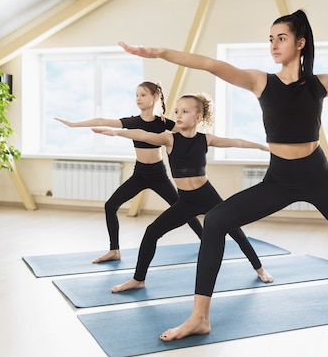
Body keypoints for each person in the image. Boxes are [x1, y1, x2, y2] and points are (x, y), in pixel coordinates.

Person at [119, 9, 328, 341]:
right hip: (280, 179)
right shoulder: (261, 81)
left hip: (318, 175)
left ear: (300, 43)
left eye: (282, 38)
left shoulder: (321, 84)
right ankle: (199, 317)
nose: (274, 45)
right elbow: (211, 64)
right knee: (216, 220)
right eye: (271, 39)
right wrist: (159, 53)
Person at [92, 92, 274, 292]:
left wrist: (263, 148)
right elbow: (143, 135)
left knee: (235, 230)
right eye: (177, 111)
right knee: (152, 232)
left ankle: (260, 268)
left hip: (207, 195)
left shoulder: (206, 139)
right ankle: (138, 279)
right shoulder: (169, 138)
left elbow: (236, 142)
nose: (178, 115)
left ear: (198, 118)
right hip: (186, 200)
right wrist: (116, 132)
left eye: (185, 111)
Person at [54, 81, 203, 263]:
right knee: (110, 206)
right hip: (139, 174)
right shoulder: (133, 122)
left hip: (159, 174)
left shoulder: (163, 123)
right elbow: (102, 121)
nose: (138, 99)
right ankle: (114, 250)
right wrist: (74, 124)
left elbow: (190, 133)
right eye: (137, 95)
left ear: (154, 97)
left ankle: (206, 241)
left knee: (183, 208)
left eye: (143, 95)